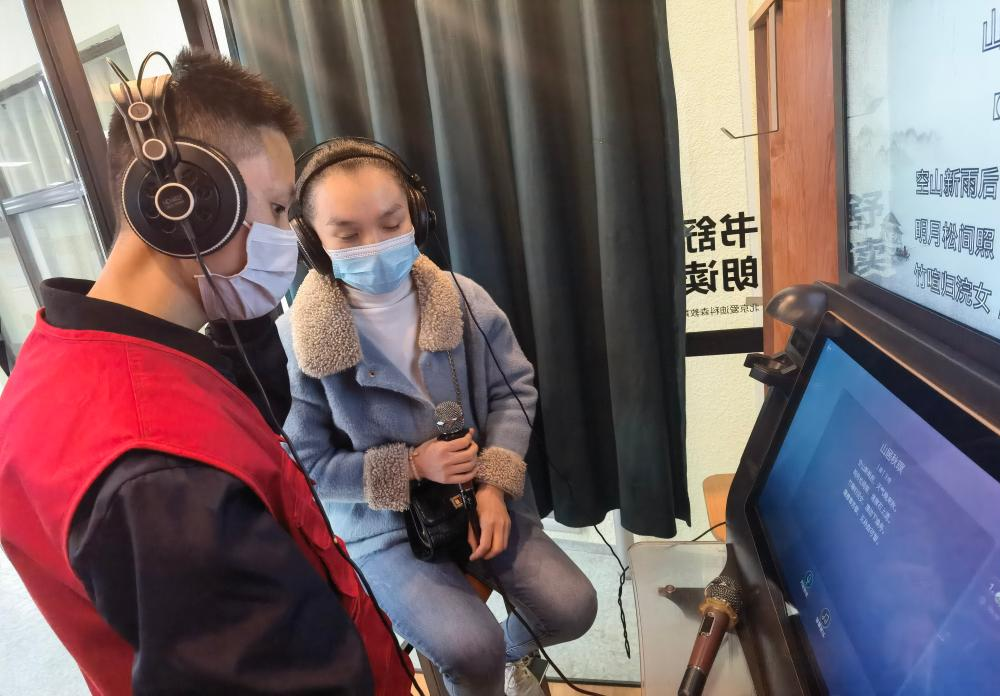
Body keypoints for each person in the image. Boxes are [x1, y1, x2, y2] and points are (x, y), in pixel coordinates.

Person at [0, 52, 411, 695]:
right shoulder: (160, 474)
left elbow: (252, 428)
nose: (290, 237)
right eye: (279, 209)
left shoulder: (78, 350)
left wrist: (242, 316)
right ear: (187, 205)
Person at [279, 136, 598, 696]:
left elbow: (514, 391)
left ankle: (508, 661)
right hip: (385, 527)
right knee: (470, 648)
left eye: (391, 222)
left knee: (573, 608)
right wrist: (410, 466)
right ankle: (483, 671)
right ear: (312, 241)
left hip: (481, 498)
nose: (375, 245)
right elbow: (309, 466)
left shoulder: (464, 298)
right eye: (348, 235)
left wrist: (494, 486)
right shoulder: (297, 341)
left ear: (417, 215)